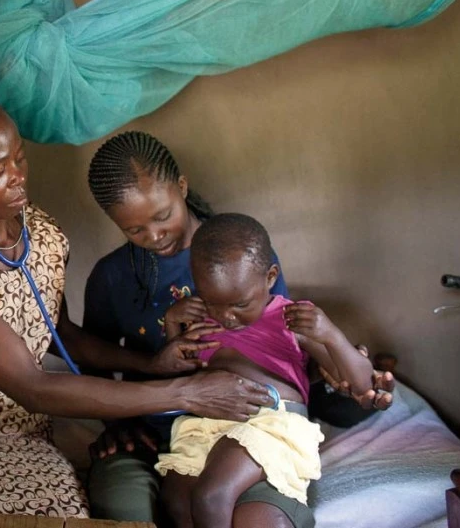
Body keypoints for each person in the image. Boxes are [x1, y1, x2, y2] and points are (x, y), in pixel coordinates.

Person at [0, 91, 278, 517]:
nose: (17, 176)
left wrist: (152, 366)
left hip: (28, 432)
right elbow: (32, 388)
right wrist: (184, 392)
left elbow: (62, 336)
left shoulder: (40, 234)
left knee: (71, 513)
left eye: (19, 158)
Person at [82, 131, 395, 528]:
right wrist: (122, 416)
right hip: (162, 427)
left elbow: (281, 349)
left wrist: (334, 357)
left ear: (181, 186)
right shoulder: (113, 277)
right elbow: (93, 359)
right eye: (134, 230)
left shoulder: (241, 255)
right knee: (144, 510)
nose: (155, 237)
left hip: (252, 423)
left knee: (241, 508)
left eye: (162, 216)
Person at [155, 213, 374, 528]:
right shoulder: (201, 319)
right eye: (214, 302)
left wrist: (331, 335)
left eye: (240, 305)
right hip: (206, 422)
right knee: (176, 501)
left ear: (270, 277)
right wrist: (174, 328)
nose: (226, 316)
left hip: (269, 422)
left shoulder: (291, 318)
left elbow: (360, 382)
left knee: (210, 496)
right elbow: (179, 376)